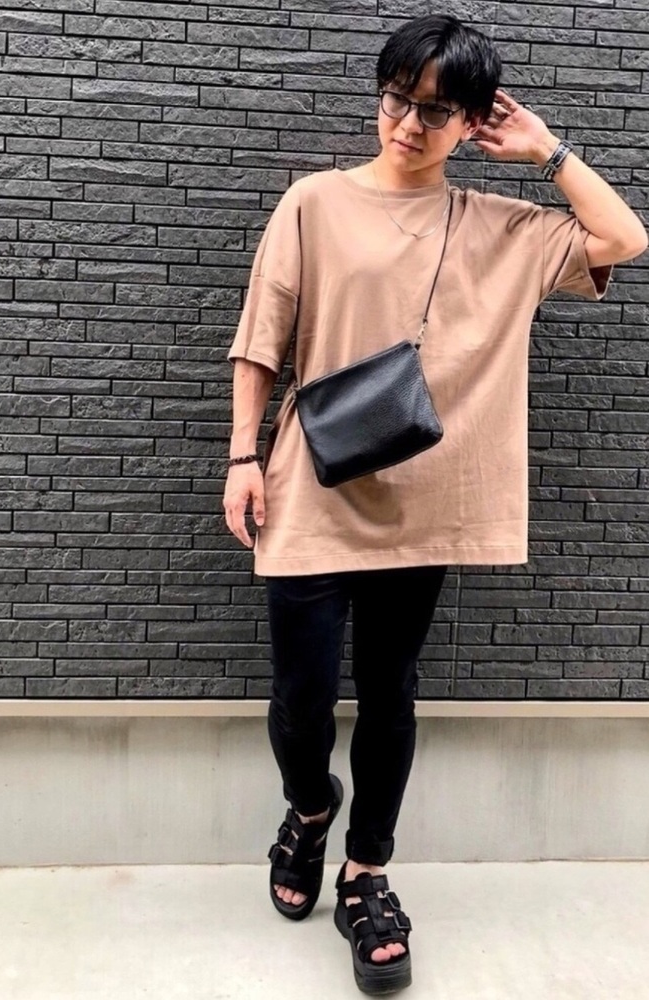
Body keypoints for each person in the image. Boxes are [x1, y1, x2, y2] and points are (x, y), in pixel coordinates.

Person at [223, 14, 647, 996]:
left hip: (425, 501)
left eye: (436, 110)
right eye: (397, 99)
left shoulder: (501, 227)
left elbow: (625, 237)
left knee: (391, 689)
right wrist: (243, 453)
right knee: (299, 697)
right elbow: (261, 334)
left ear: (471, 122)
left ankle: (366, 873)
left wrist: (544, 151)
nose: (409, 124)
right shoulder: (315, 201)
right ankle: (310, 809)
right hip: (312, 484)